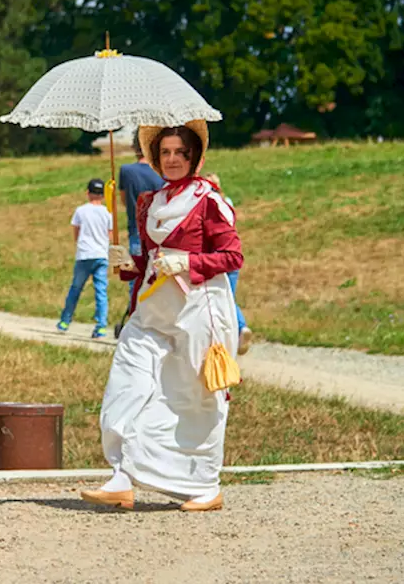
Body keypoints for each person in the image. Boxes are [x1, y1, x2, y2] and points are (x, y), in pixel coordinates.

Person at [83, 121, 241, 513]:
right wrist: (130, 263)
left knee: (194, 398)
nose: (171, 160)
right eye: (165, 152)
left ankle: (205, 485)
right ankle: (122, 476)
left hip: (198, 311)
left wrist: (188, 261)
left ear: (194, 157)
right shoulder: (149, 202)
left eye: (179, 153)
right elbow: (150, 261)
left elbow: (232, 256)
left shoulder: (209, 201)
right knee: (128, 380)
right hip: (152, 309)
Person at [205, 172, 252, 355]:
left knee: (220, 300)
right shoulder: (227, 202)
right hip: (232, 255)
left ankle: (234, 333)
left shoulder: (207, 204)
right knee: (229, 297)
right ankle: (240, 328)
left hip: (216, 258)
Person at [59, 178, 111, 339]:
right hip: (101, 255)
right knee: (101, 291)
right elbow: (109, 235)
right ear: (103, 195)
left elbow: (76, 231)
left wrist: (81, 243)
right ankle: (101, 325)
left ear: (87, 193)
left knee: (76, 288)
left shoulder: (81, 211)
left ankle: (65, 320)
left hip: (85, 254)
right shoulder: (108, 213)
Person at [118, 132, 164, 258]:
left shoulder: (126, 171)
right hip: (159, 231)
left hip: (136, 229)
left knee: (137, 273)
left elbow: (124, 200)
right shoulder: (162, 171)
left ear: (134, 148)